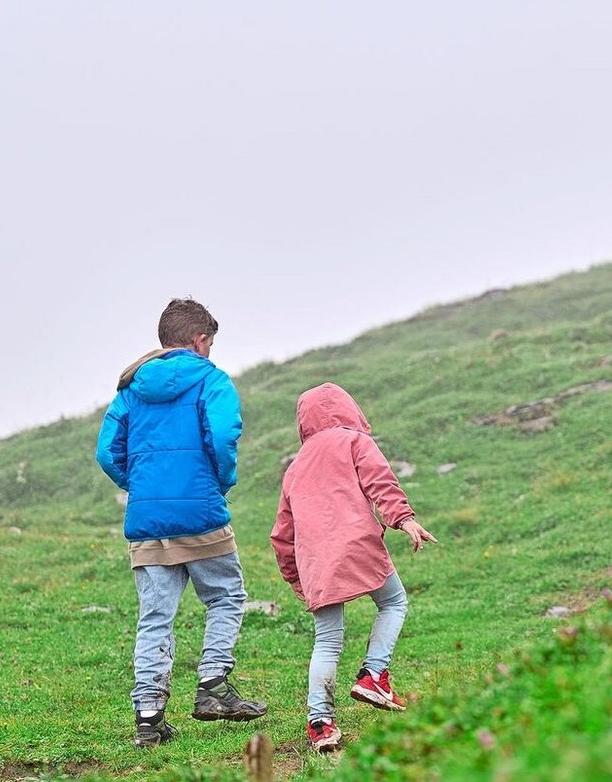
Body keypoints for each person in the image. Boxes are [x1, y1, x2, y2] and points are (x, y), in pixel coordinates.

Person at [94, 297, 267, 748]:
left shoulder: (130, 389)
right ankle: (213, 688)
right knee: (227, 596)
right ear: (200, 339)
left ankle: (148, 717)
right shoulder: (212, 380)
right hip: (201, 511)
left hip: (148, 519)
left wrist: (140, 484)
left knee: (155, 617)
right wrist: (220, 480)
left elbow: (106, 452)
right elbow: (224, 436)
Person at [271, 382, 437, 753]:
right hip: (358, 545)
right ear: (350, 410)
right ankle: (374, 674)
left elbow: (282, 535)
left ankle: (320, 723)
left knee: (327, 640)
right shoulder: (353, 440)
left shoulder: (295, 467)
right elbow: (380, 482)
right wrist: (404, 519)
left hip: (316, 562)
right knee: (393, 602)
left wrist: (298, 580)